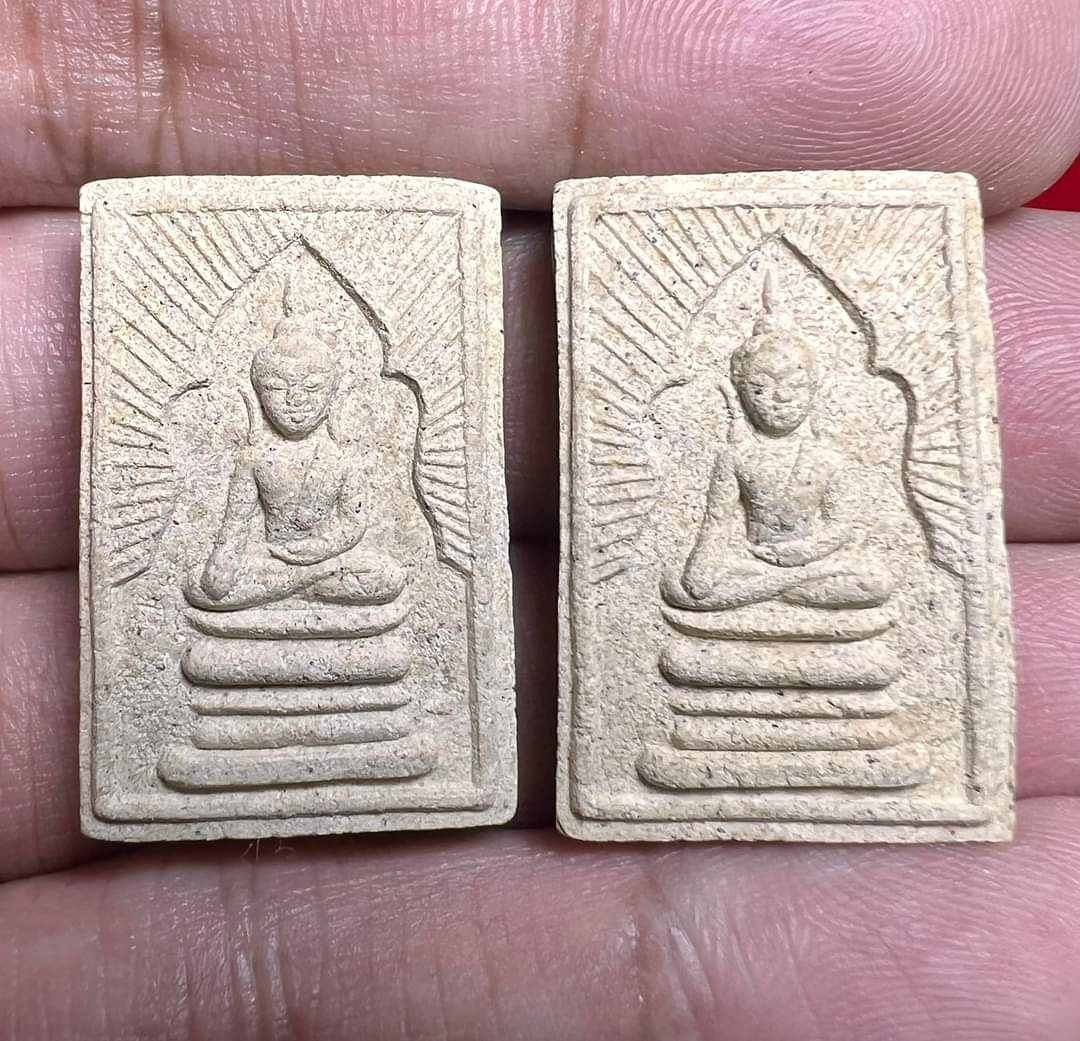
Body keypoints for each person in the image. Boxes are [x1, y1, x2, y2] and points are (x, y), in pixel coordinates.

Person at [2, 2, 1080, 1037]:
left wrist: (789, 570)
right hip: (295, 602)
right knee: (266, 605)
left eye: (788, 387)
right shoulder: (252, 456)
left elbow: (373, 552)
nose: (774, 401)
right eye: (278, 390)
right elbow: (229, 563)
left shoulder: (823, 452)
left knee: (849, 589)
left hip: (784, 593)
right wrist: (267, 574)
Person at [664, 273, 896, 612]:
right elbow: (716, 525)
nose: (780, 399)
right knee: (686, 584)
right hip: (752, 558)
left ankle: (773, 589)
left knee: (875, 582)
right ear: (741, 393)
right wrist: (702, 566)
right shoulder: (736, 456)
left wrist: (805, 553)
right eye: (760, 389)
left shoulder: (828, 457)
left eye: (795, 386)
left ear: (815, 389)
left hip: (812, 561)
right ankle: (784, 588)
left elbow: (841, 526)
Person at [185, 298, 405, 611]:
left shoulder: (339, 459)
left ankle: (289, 587)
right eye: (277, 388)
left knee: (387, 576)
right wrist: (223, 561)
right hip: (270, 559)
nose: (296, 400)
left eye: (312, 387)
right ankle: (304, 587)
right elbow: (235, 526)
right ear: (258, 397)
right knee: (200, 585)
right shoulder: (254, 459)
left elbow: (353, 523)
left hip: (324, 560)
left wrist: (323, 547)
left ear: (333, 396)